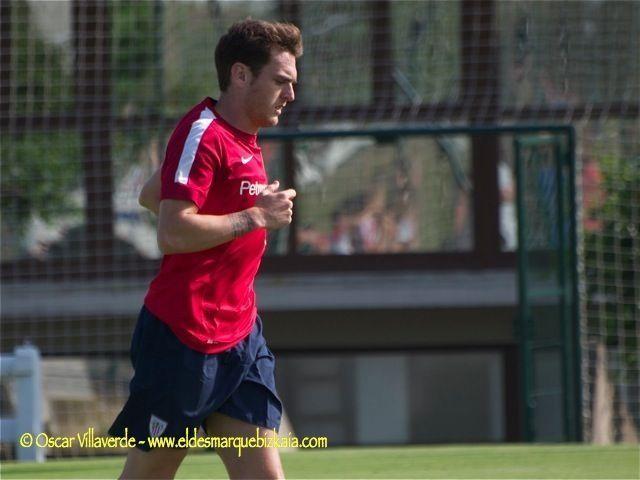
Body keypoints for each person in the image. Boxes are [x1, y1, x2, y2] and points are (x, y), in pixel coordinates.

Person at [109, 19, 302, 479]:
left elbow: (152, 193)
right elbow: (172, 232)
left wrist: (235, 205)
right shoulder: (203, 131)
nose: (290, 96)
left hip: (240, 338)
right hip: (182, 337)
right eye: (280, 82)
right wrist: (255, 216)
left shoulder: (247, 139)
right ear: (240, 75)